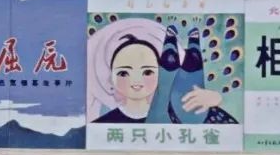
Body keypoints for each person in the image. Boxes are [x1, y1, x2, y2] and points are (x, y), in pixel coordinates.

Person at [92, 23, 236, 125]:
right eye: (123, 73)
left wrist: (216, 99)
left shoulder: (183, 106)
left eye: (147, 72)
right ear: (110, 78)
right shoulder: (100, 126)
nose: (136, 80)